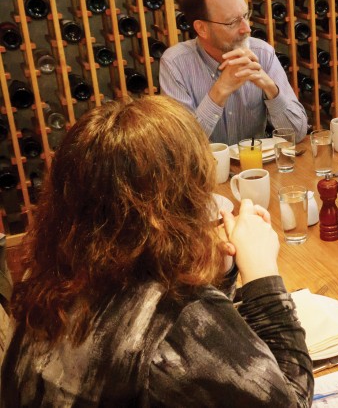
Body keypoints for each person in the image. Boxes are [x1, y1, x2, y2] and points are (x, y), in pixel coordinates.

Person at [1, 97, 313, 406]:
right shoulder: (174, 321)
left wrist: (223, 266)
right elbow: (289, 400)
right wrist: (262, 275)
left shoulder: (51, 276)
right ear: (180, 201)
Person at [160, 0, 307, 145]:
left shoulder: (262, 53)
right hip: (208, 169)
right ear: (202, 28)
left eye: (245, 15)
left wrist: (270, 87)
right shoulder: (175, 64)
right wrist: (220, 90)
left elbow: (298, 133)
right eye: (232, 22)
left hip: (257, 169)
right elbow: (181, 146)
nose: (247, 28)